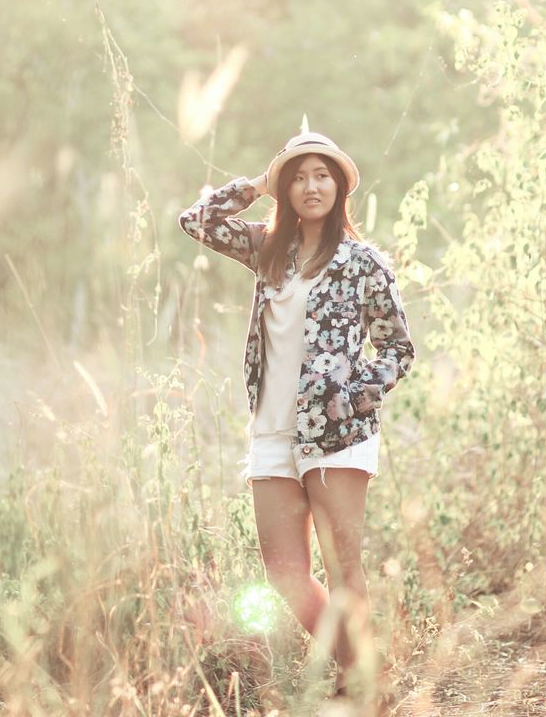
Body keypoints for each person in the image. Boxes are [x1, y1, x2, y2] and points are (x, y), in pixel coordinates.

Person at [178, 129, 416, 707]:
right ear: (287, 188)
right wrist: (260, 183)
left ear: (339, 186)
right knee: (285, 572)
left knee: (343, 569)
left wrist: (353, 397)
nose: (312, 186)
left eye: (323, 175)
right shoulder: (267, 248)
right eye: (299, 176)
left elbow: (397, 350)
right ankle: (360, 667)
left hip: (338, 435)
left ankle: (364, 690)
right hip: (272, 431)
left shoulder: (364, 263)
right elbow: (197, 220)